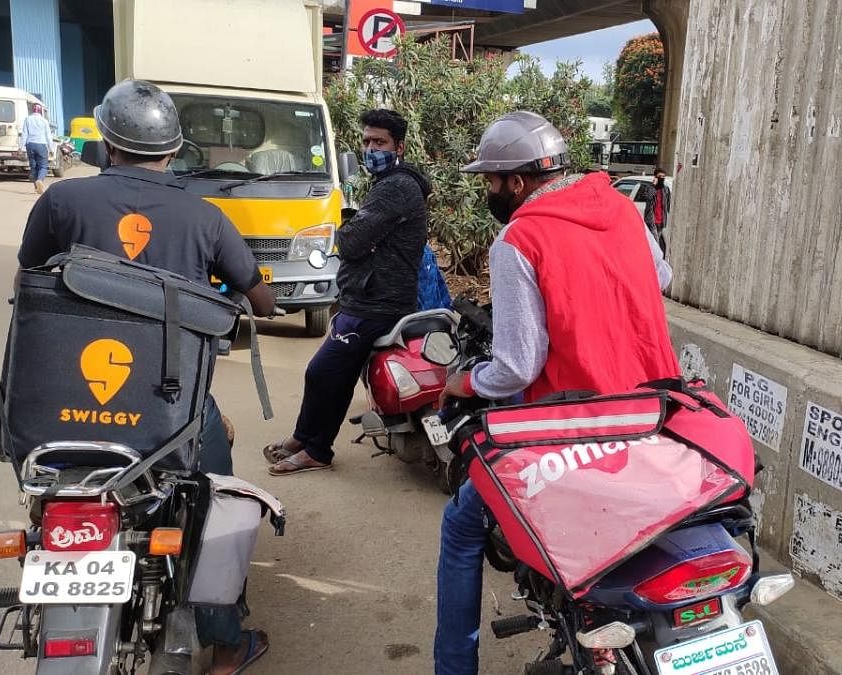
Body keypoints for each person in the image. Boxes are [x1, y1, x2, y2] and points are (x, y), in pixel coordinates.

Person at [16, 79, 276, 675]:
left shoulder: (61, 203)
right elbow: (259, 300)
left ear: (106, 143)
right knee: (216, 499)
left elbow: (29, 276)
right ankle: (226, 640)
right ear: (174, 148)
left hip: (62, 403)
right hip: (168, 411)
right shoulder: (205, 218)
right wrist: (248, 293)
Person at [433, 111, 679, 674]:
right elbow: (660, 278)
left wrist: (463, 380)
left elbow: (517, 367)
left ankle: (453, 668)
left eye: (489, 181)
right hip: (653, 415)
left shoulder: (518, 237)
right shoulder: (620, 207)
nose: (488, 191)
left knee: (463, 525)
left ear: (515, 182)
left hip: (573, 429)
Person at [264, 108, 431, 475]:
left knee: (322, 372)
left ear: (398, 147)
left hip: (378, 303)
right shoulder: (389, 185)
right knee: (333, 376)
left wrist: (351, 230)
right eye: (367, 140)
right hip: (368, 297)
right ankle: (305, 438)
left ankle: (316, 450)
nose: (371, 148)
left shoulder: (396, 188)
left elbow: (352, 242)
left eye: (380, 142)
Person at [19, 102, 53, 194]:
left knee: (33, 167)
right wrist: (51, 149)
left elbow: (24, 134)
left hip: (30, 145)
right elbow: (48, 136)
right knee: (43, 166)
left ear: (32, 110)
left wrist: (21, 147)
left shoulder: (27, 119)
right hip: (41, 145)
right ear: (41, 111)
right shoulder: (44, 121)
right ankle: (40, 180)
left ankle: (36, 188)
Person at [640, 167, 672, 255]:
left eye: (663, 177)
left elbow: (668, 203)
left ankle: (650, 257)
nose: (662, 179)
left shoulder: (665, 189)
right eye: (660, 177)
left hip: (661, 221)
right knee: (656, 243)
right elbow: (647, 197)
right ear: (655, 177)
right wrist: (654, 186)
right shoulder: (650, 188)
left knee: (653, 243)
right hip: (652, 220)